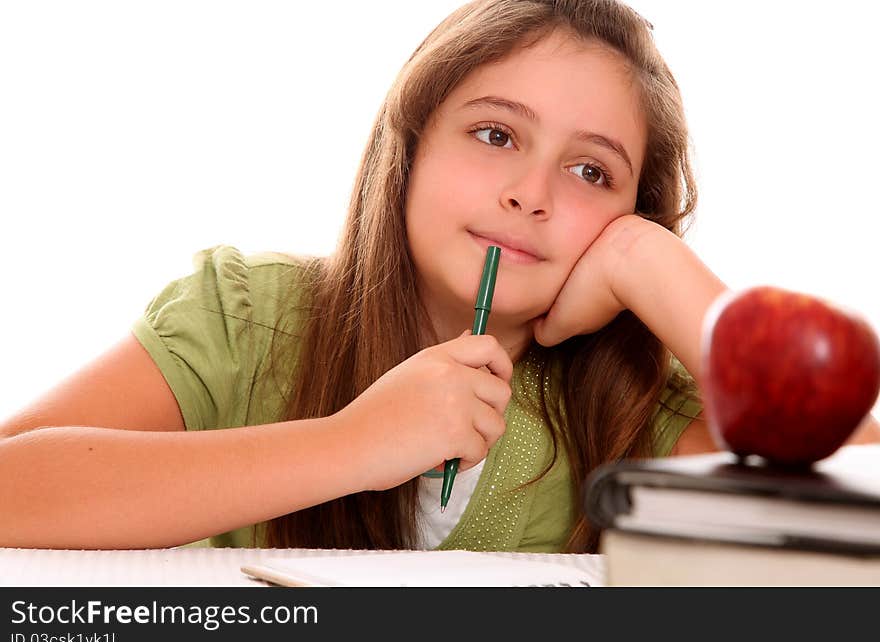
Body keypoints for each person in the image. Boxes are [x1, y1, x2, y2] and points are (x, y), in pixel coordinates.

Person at [2, 0, 877, 553]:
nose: (529, 194)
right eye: (496, 134)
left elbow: (858, 494)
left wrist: (649, 264)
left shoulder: (632, 405)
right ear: (409, 150)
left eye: (591, 172)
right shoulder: (249, 316)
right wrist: (355, 442)